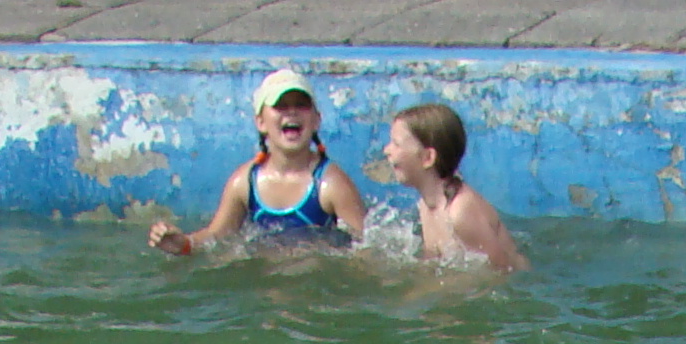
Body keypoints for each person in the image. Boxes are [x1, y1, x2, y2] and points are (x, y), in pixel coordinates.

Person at [149, 70, 366, 255]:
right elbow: (216, 236)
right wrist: (184, 244)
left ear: (316, 120)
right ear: (260, 122)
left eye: (301, 105)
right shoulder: (245, 182)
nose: (292, 112)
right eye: (280, 106)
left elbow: (366, 246)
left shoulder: (331, 185)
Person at [376, 102, 527, 272]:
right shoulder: (426, 205)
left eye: (396, 144)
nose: (386, 150)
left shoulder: (460, 212)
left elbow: (502, 272)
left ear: (427, 158)